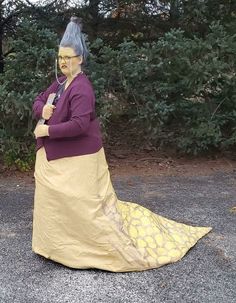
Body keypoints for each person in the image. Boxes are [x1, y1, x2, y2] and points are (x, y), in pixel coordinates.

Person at [32, 16, 212, 272]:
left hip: (78, 157)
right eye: (60, 57)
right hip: (61, 155)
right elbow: (38, 99)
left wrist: (47, 129)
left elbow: (79, 125)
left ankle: (83, 248)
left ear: (80, 59)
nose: (63, 62)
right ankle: (56, 246)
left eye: (68, 58)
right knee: (64, 202)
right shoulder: (61, 82)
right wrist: (44, 109)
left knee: (84, 204)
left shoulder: (82, 87)